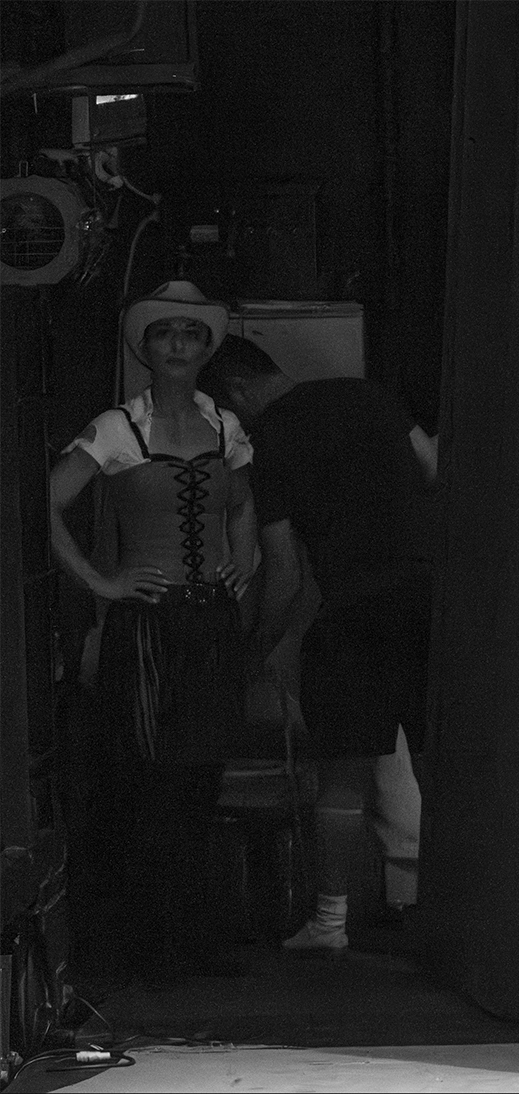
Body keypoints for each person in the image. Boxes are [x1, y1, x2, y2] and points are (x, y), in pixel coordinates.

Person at [49, 280, 255, 983]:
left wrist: (245, 561)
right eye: (165, 333)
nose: (177, 345)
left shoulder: (225, 426)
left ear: (205, 349)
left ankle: (194, 940)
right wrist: (103, 583)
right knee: (144, 781)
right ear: (147, 348)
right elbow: (44, 503)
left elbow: (244, 502)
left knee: (200, 781)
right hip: (146, 625)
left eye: (190, 335)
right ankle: (143, 946)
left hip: (210, 623)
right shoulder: (116, 428)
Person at [211, 342, 436, 957]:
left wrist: (261, 644)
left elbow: (282, 570)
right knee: (438, 765)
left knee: (342, 776)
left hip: (354, 613)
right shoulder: (368, 393)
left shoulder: (269, 444)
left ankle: (330, 922)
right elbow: (438, 466)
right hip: (428, 600)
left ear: (235, 389)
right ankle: (455, 912)